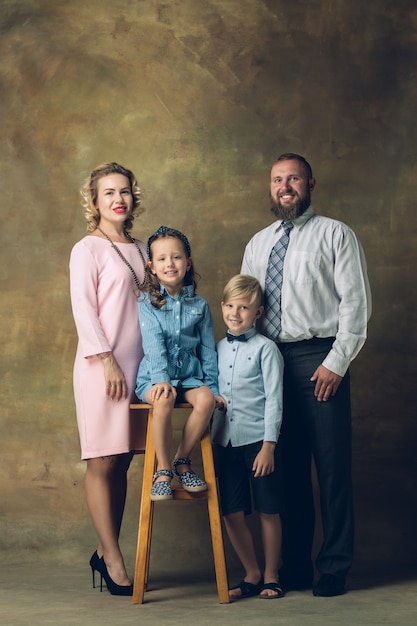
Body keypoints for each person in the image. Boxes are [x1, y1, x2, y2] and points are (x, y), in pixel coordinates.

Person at [241, 153, 371, 597]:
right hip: (270, 360)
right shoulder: (258, 244)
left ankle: (333, 567)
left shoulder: (336, 234)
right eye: (277, 180)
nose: (285, 186)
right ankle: (295, 566)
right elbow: (246, 307)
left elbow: (355, 303)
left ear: (310, 183)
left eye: (293, 178)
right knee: (288, 467)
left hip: (319, 357)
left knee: (332, 468)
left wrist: (336, 362)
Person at [69, 162, 148, 596]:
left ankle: (105, 551)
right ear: (95, 202)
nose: (118, 198)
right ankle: (112, 558)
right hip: (103, 369)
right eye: (108, 193)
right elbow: (84, 308)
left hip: (139, 369)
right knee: (101, 461)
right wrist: (108, 361)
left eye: (125, 191)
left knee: (123, 460)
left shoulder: (142, 247)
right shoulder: (88, 249)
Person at [135, 226, 223, 501]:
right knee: (164, 399)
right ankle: (162, 470)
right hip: (154, 377)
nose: (169, 264)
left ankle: (181, 460)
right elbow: (153, 345)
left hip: (188, 377)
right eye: (161, 259)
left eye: (176, 257)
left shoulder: (200, 305)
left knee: (206, 399)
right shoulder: (146, 303)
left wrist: (213, 386)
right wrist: (161, 380)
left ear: (188, 262)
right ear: (152, 266)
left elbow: (208, 350)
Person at [212, 274, 285, 600]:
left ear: (257, 312)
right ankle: (251, 572)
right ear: (222, 306)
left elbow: (274, 399)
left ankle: (271, 576)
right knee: (231, 511)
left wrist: (269, 446)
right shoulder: (215, 348)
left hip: (258, 441)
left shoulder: (266, 350)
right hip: (224, 442)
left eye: (244, 308)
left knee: (269, 510)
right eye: (230, 305)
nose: (235, 313)